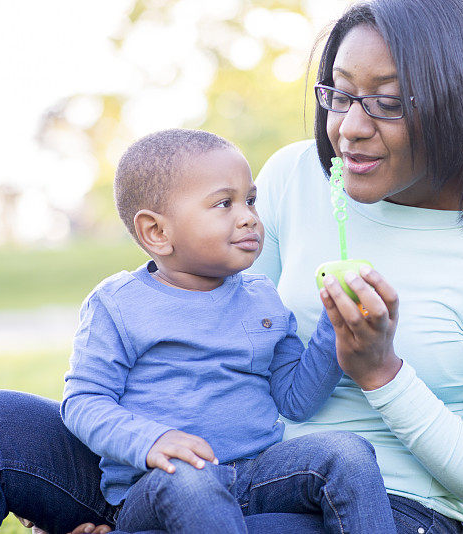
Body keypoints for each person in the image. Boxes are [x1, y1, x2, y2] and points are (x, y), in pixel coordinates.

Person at [0, 1, 463, 533]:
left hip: (381, 507)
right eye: (339, 94)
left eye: (387, 102)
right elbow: (199, 309)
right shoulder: (296, 175)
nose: (348, 129)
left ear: (457, 102)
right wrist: (131, 450)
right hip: (204, 464)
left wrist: (379, 373)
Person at [57, 128, 397, 533]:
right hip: (162, 485)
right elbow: (83, 401)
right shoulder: (118, 303)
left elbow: (295, 399)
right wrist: (151, 440)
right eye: (224, 203)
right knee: (191, 478)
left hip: (256, 472)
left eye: (250, 200)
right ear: (157, 232)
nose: (249, 216)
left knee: (348, 453)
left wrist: (335, 327)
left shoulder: (261, 297)